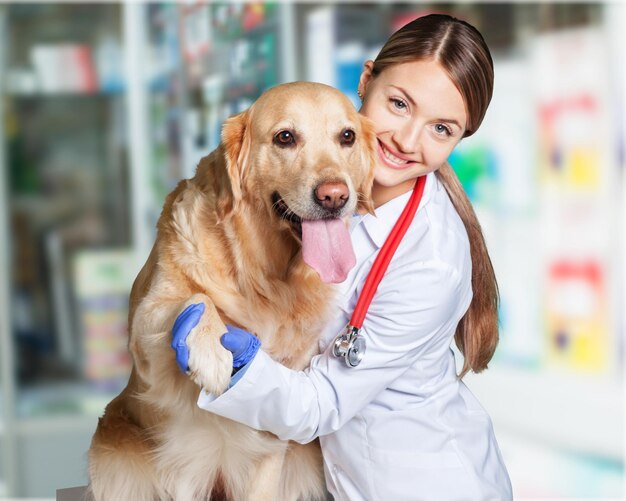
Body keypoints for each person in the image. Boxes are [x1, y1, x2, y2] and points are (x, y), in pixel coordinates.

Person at [171, 13, 513, 500]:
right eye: (398, 104)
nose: (407, 140)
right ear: (366, 80)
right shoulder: (319, 181)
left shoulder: (433, 261)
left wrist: (240, 364)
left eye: (441, 129)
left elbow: (321, 404)